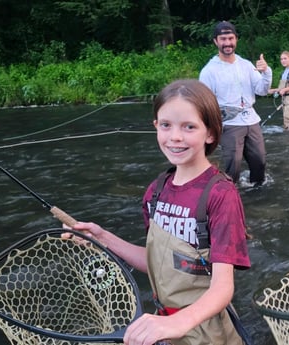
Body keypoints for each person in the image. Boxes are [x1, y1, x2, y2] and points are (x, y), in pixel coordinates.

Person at [71, 79, 252, 345]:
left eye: (189, 127)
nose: (175, 137)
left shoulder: (221, 194)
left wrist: (176, 323)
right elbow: (157, 263)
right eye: (166, 125)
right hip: (163, 325)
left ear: (210, 133)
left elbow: (223, 288)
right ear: (156, 126)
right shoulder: (155, 191)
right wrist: (103, 238)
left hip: (207, 330)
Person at [199, 21, 272, 186]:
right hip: (228, 124)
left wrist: (266, 72)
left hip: (252, 120)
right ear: (215, 41)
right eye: (223, 39)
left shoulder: (246, 65)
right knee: (233, 166)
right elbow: (204, 103)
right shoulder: (209, 71)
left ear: (236, 39)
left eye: (230, 38)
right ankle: (229, 196)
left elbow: (261, 90)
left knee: (260, 161)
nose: (227, 43)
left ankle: (259, 196)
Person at [267, 50, 289, 131]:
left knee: (288, 121)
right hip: (286, 99)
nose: (283, 61)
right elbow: (282, 88)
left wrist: (284, 90)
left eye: (285, 58)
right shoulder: (285, 71)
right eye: (281, 59)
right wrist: (271, 90)